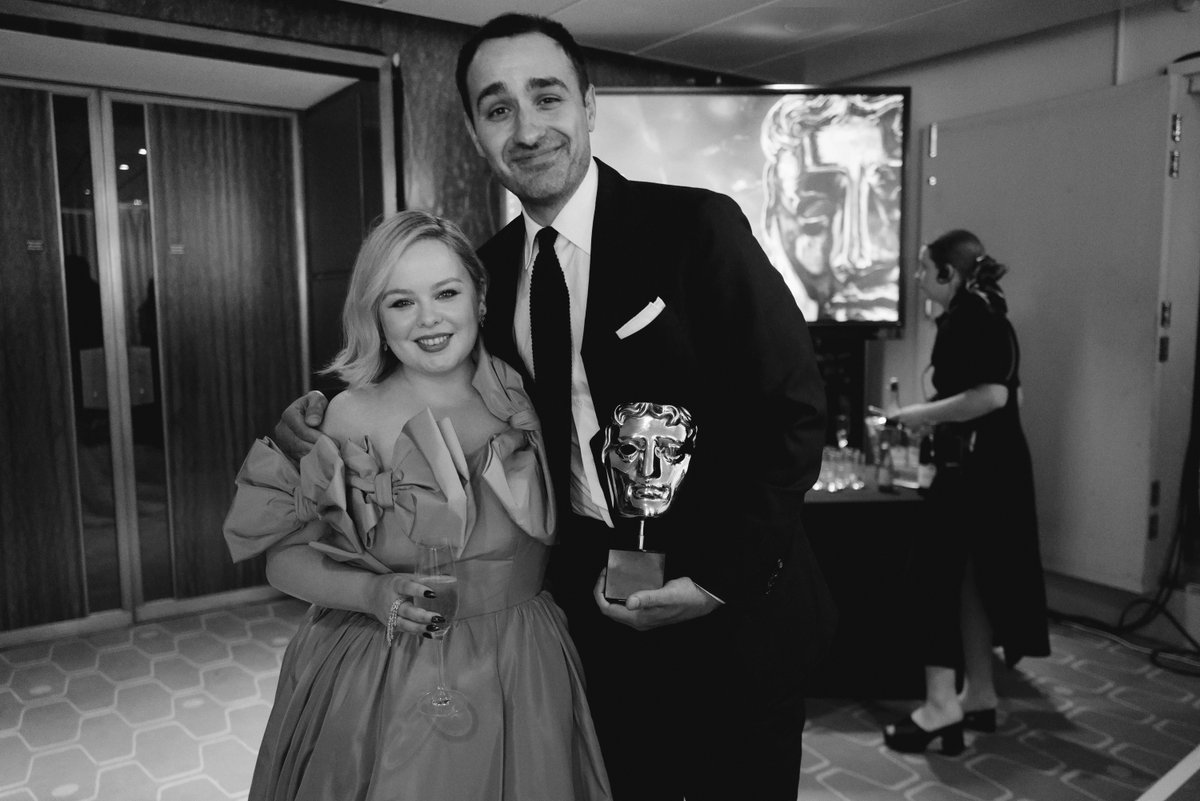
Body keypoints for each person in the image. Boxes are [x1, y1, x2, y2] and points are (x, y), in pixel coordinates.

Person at [275, 14, 835, 801]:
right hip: (587, 616)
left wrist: (717, 577)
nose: (528, 128)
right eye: (499, 108)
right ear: (475, 131)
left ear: (590, 105)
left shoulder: (695, 228)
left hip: (731, 611)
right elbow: (423, 355)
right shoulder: (490, 274)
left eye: (547, 98)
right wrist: (321, 398)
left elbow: (795, 405)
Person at [222, 210, 611, 800]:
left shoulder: (524, 392)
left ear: (480, 299)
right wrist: (371, 594)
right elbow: (283, 560)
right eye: (400, 302)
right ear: (375, 315)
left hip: (523, 662)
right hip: (383, 671)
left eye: (447, 293)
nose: (429, 319)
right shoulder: (343, 416)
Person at [883, 229, 1050, 754]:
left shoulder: (969, 316)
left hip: (974, 472)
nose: (916, 277)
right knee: (973, 584)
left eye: (922, 268)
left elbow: (991, 395)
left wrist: (913, 416)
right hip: (999, 469)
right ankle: (978, 695)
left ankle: (940, 705)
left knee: (931, 578)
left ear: (947, 274)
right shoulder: (987, 309)